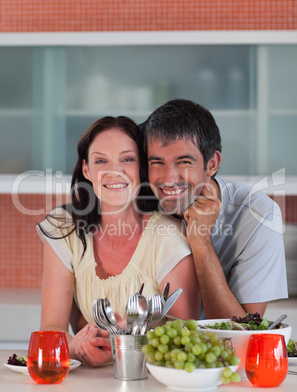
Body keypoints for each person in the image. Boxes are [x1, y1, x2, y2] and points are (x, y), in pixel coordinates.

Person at [37, 115, 200, 367]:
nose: (114, 171)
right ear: (86, 169)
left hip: (153, 382)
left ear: (141, 168)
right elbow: (51, 329)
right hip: (87, 386)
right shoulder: (64, 228)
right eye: (101, 160)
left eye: (127, 159)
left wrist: (128, 341)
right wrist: (78, 346)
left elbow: (185, 334)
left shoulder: (168, 235)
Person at [141, 98, 288, 320]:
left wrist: (201, 242)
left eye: (184, 162)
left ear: (212, 164)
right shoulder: (141, 204)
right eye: (157, 162)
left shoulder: (258, 215)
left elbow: (243, 333)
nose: (169, 180)